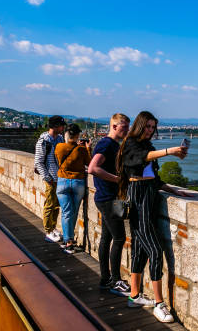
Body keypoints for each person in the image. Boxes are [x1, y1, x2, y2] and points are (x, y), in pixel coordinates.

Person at [116, 111, 192, 323]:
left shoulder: (148, 146)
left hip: (149, 194)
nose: (150, 130)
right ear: (140, 126)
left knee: (140, 250)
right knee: (156, 252)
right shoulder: (130, 143)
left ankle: (134, 296)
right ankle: (159, 304)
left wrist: (174, 190)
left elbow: (153, 177)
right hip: (138, 197)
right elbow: (140, 160)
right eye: (147, 126)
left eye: (152, 127)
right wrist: (169, 151)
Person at [88, 113, 131, 296]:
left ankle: (105, 279)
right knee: (119, 238)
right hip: (108, 198)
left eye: (128, 128)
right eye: (124, 128)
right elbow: (93, 168)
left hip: (107, 197)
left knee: (107, 238)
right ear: (114, 126)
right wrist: (118, 180)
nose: (127, 131)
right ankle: (115, 280)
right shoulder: (106, 144)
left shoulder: (113, 144)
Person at [54, 124, 92, 254]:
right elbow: (89, 163)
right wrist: (87, 149)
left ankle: (68, 241)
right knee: (73, 212)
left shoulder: (59, 147)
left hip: (62, 182)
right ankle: (69, 240)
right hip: (78, 182)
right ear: (77, 136)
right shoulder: (81, 149)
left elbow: (58, 159)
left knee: (66, 212)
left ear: (66, 134)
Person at [34, 115, 66, 243]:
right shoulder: (43, 141)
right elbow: (38, 162)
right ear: (55, 126)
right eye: (61, 125)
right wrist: (47, 178)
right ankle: (48, 231)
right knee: (49, 204)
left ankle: (52, 228)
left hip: (59, 177)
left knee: (56, 205)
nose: (63, 128)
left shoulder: (60, 139)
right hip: (51, 178)